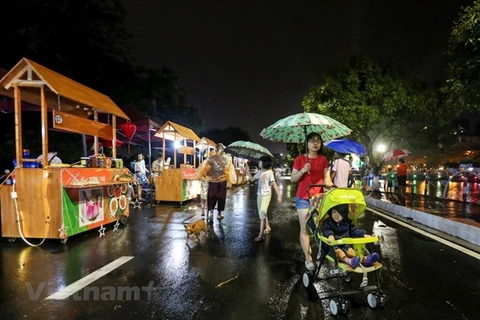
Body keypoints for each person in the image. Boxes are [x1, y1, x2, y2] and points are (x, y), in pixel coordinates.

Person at [291, 132, 333, 271]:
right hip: (303, 197)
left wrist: (328, 182)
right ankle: (308, 258)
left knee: (321, 228)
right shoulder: (300, 159)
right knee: (305, 229)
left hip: (320, 198)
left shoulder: (323, 159)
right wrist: (303, 170)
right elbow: (293, 179)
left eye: (318, 141)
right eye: (312, 140)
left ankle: (324, 251)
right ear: (307, 143)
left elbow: (327, 177)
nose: (315, 143)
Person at [322, 203, 380, 268]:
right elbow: (326, 230)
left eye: (339, 213)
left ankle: (364, 259)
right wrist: (330, 236)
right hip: (332, 246)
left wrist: (364, 234)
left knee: (350, 250)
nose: (336, 215)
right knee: (339, 252)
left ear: (344, 214)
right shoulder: (328, 222)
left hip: (344, 243)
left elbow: (354, 230)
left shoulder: (346, 222)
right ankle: (349, 261)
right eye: (334, 212)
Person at [246, 156, 282, 242]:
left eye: (260, 162)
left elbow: (274, 184)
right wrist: (247, 171)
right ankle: (268, 227)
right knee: (262, 213)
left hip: (266, 195)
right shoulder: (259, 172)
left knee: (262, 212)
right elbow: (251, 179)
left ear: (264, 163)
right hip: (259, 195)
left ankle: (261, 234)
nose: (259, 163)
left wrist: (279, 195)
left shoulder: (270, 172)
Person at [197, 143, 233, 221]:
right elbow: (228, 171)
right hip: (222, 181)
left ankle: (211, 211)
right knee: (221, 198)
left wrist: (207, 176)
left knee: (211, 197)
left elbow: (205, 170)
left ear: (215, 149)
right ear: (222, 150)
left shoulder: (210, 159)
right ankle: (219, 214)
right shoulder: (227, 159)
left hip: (213, 181)